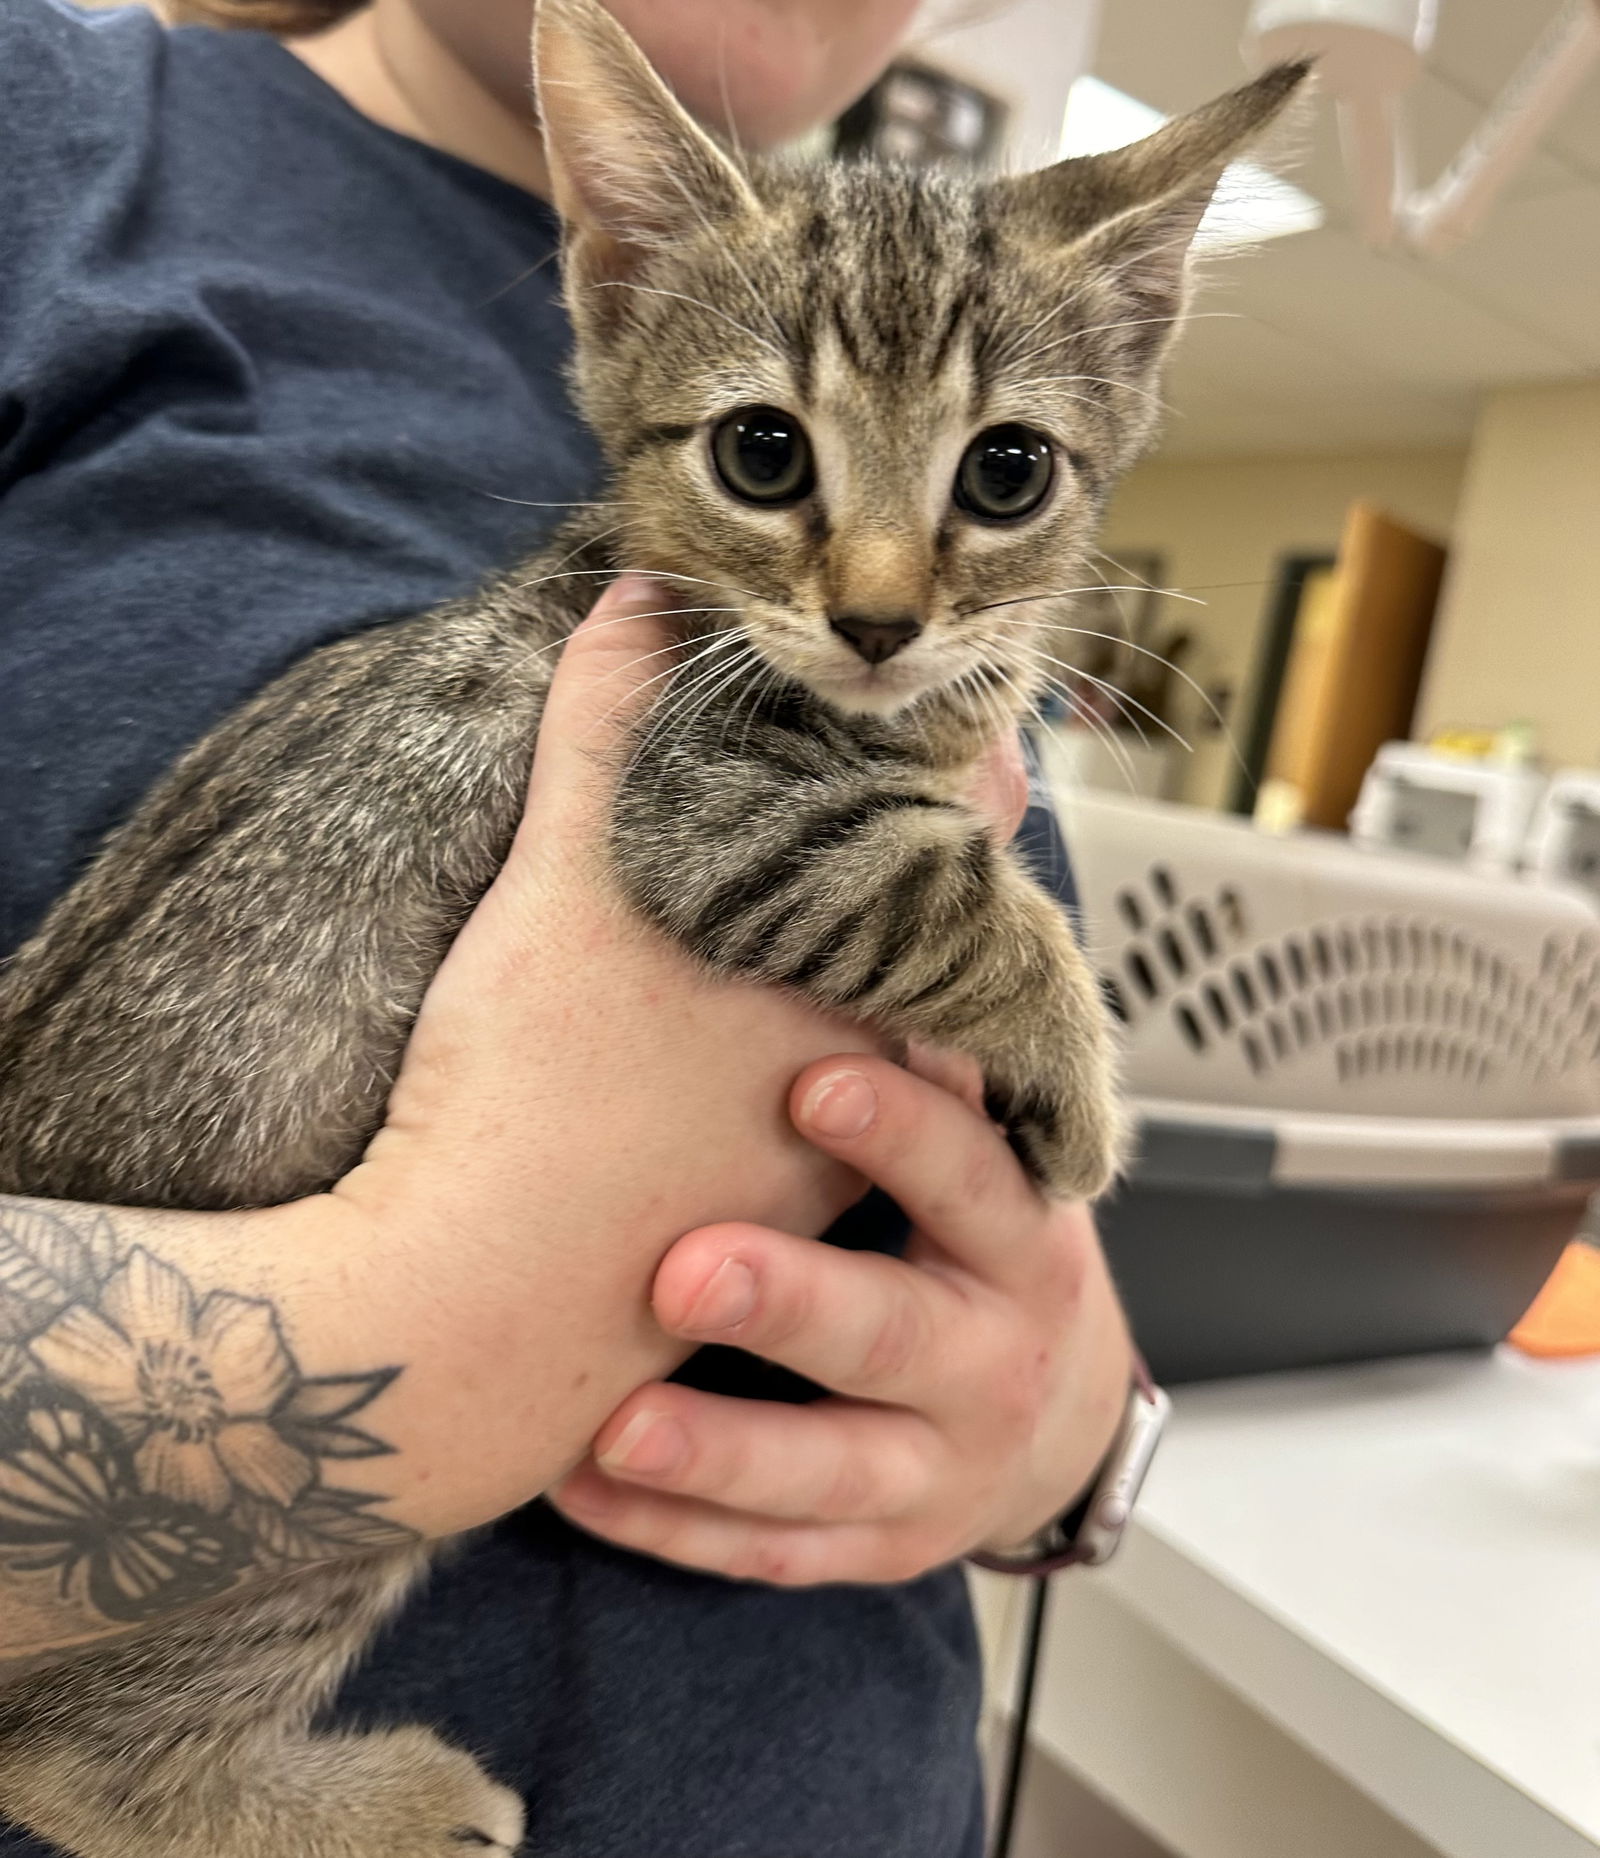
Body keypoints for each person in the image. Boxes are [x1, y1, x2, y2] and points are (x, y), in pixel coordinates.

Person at [0, 1, 1134, 1852]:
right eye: (772, 459)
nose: (878, 594)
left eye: (997, 484)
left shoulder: (930, 571)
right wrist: (427, 1322)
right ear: (613, 277)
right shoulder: (38, 138)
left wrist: (1073, 1429)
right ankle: (143, 1753)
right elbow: (739, 863)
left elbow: (994, 1223)